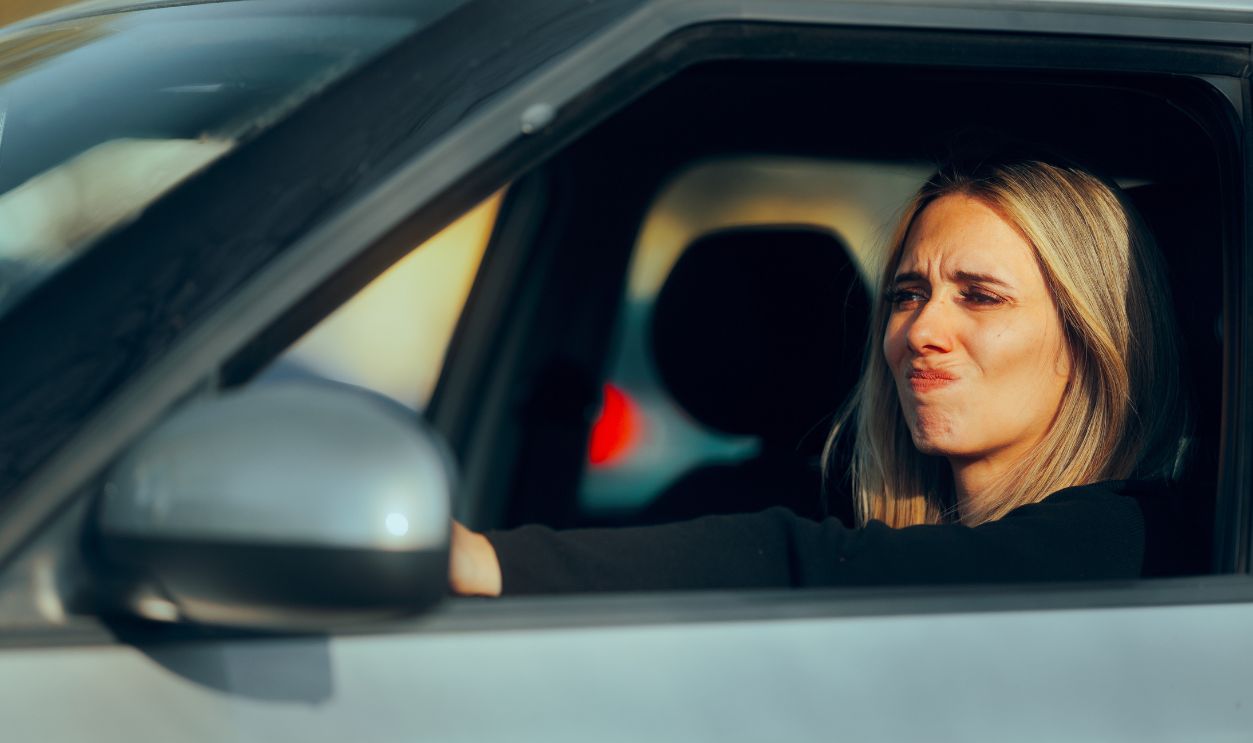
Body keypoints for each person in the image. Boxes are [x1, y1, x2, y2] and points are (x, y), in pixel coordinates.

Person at [449, 156, 1207, 597]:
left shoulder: (1125, 540)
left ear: (1088, 338)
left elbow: (809, 562)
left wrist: (494, 561)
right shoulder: (881, 526)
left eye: (978, 296)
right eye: (907, 295)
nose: (920, 331)